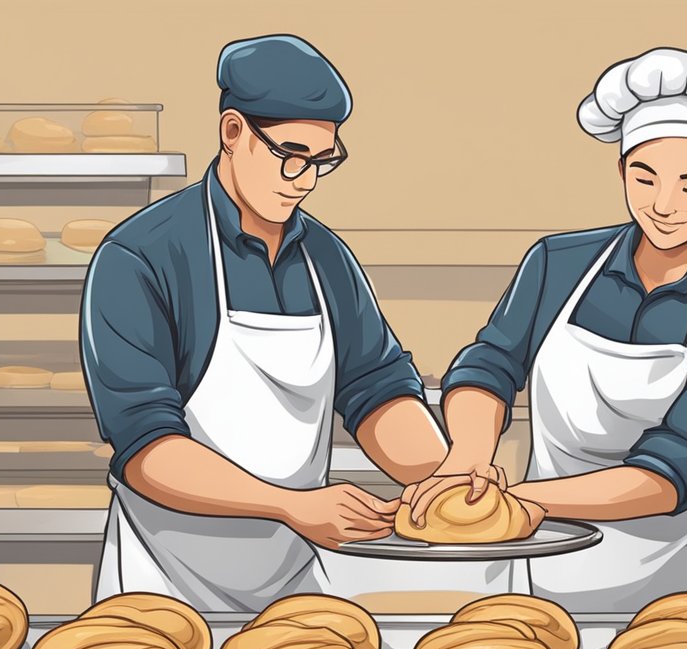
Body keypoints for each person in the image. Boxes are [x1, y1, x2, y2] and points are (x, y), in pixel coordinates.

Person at [81, 35, 506, 611]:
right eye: (290, 154)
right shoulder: (142, 256)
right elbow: (147, 448)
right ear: (232, 132)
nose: (304, 179)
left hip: (292, 582)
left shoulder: (325, 258)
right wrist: (290, 504)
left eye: (321, 161)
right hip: (163, 580)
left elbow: (376, 392)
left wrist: (443, 477)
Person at [406, 48, 687, 612]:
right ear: (621, 170)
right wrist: (467, 453)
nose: (664, 205)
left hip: (657, 575)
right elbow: (489, 366)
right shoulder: (557, 263)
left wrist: (518, 499)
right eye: (644, 177)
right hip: (535, 559)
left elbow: (673, 469)